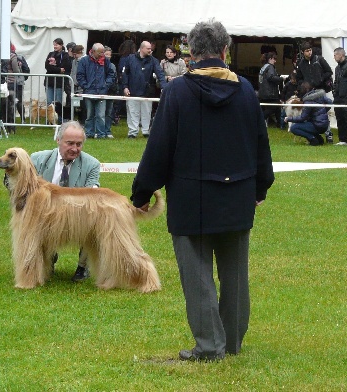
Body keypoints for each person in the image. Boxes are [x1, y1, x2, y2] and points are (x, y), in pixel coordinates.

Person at [131, 19, 274, 362]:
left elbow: (160, 146)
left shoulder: (177, 91)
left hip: (190, 197)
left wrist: (142, 191)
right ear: (225, 51)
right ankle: (232, 342)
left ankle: (211, 346)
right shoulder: (245, 90)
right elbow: (261, 145)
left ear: (190, 53)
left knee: (197, 276)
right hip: (237, 194)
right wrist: (260, 187)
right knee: (235, 275)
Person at [30, 121, 100, 281]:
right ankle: (46, 262)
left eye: (79, 144)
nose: (75, 149)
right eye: (70, 143)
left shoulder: (92, 164)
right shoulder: (37, 159)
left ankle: (83, 267)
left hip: (78, 216)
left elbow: (93, 194)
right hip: (45, 216)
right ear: (58, 140)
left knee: (96, 221)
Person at [122, 41, 167, 138]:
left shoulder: (154, 61)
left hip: (147, 91)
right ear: (142, 48)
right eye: (148, 48)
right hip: (132, 90)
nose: (150, 50)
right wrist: (125, 87)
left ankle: (146, 131)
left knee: (146, 111)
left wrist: (164, 87)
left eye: (151, 48)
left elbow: (160, 74)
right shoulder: (130, 59)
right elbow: (125, 73)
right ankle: (132, 132)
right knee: (133, 111)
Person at [76, 43, 115, 139]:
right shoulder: (84, 61)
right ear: (93, 51)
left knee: (101, 115)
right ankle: (89, 133)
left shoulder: (105, 61)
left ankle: (101, 134)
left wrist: (106, 85)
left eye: (103, 52)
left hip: (102, 92)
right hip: (89, 91)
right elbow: (80, 75)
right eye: (100, 52)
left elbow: (111, 74)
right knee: (89, 114)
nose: (102, 54)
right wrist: (86, 86)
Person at [285, 81, 332, 146]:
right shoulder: (320, 95)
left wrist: (289, 119)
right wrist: (323, 110)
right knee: (308, 124)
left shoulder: (308, 102)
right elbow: (330, 102)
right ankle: (319, 139)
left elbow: (302, 118)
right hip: (325, 125)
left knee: (294, 128)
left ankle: (312, 139)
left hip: (317, 125)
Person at [258, 52, 286, 128]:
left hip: (262, 93)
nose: (275, 61)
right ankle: (259, 120)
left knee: (277, 108)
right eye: (274, 59)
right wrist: (281, 79)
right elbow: (271, 77)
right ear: (270, 59)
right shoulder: (270, 67)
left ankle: (280, 124)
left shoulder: (263, 67)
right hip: (270, 93)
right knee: (274, 107)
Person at [44, 38, 72, 106]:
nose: (55, 46)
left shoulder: (65, 55)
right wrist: (59, 69)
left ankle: (59, 116)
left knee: (58, 103)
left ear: (61, 45)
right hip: (49, 81)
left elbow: (65, 67)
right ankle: (49, 116)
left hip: (59, 82)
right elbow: (47, 66)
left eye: (57, 45)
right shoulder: (51, 54)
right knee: (49, 102)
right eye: (54, 45)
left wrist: (53, 67)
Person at [333, 47, 347, 146]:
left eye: (335, 55)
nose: (334, 57)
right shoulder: (337, 68)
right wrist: (334, 92)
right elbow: (336, 82)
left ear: (341, 55)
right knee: (340, 118)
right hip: (338, 98)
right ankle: (342, 139)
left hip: (345, 97)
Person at [103, 46, 118, 138]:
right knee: (99, 113)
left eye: (110, 55)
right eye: (106, 54)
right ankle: (99, 130)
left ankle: (107, 130)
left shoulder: (112, 66)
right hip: (100, 91)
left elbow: (114, 78)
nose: (108, 56)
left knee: (109, 111)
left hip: (110, 91)